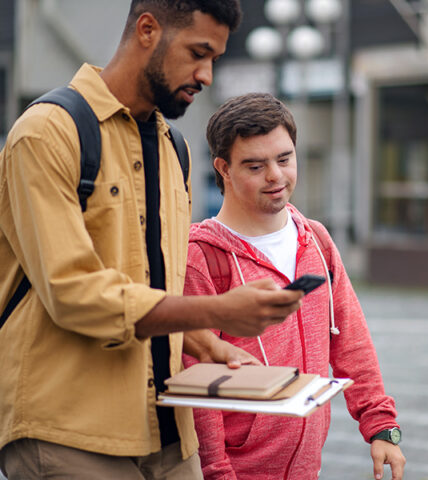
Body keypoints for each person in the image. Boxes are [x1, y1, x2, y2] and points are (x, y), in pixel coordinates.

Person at [0, 2, 303, 479]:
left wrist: (207, 344)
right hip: (69, 432)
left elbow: (157, 282)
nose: (206, 75)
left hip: (169, 430)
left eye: (215, 59)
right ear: (148, 30)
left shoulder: (174, 148)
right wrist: (219, 311)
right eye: (198, 52)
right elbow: (72, 293)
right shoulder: (45, 134)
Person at [183, 93, 406, 480]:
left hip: (306, 468)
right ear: (223, 168)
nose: (276, 176)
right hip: (235, 470)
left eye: (284, 159)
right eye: (256, 165)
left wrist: (381, 426)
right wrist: (217, 471)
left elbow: (350, 340)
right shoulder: (201, 256)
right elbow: (198, 381)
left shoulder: (315, 239)